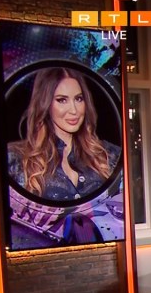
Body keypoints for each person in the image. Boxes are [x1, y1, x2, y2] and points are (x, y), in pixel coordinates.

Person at [7, 67, 121, 203]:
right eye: (62, 100)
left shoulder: (109, 155)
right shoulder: (15, 160)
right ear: (45, 103)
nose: (74, 110)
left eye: (78, 99)